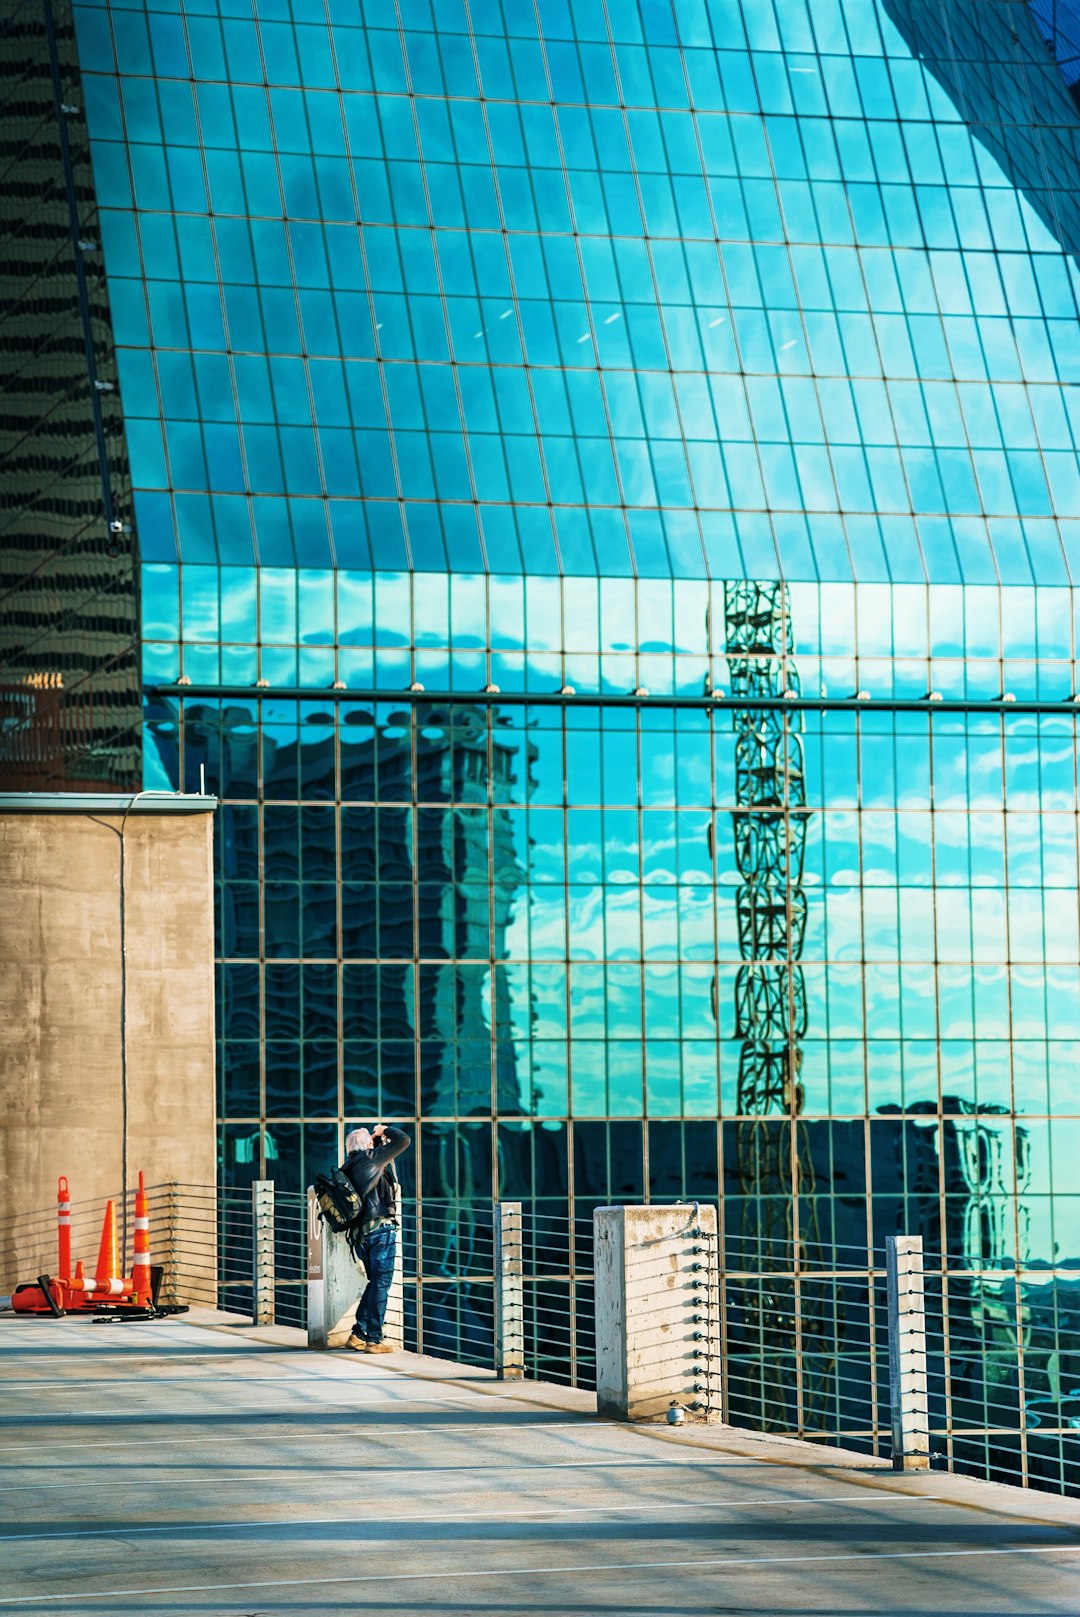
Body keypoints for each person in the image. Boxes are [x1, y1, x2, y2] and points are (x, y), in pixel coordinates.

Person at [341, 1122, 410, 1353]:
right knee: (381, 1285)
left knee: (374, 1284)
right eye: (371, 1142)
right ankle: (374, 1339)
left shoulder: (348, 1166)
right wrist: (384, 1130)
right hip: (381, 1231)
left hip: (361, 1236)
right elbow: (403, 1141)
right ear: (368, 1145)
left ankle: (358, 1334)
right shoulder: (371, 1159)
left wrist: (376, 1141)